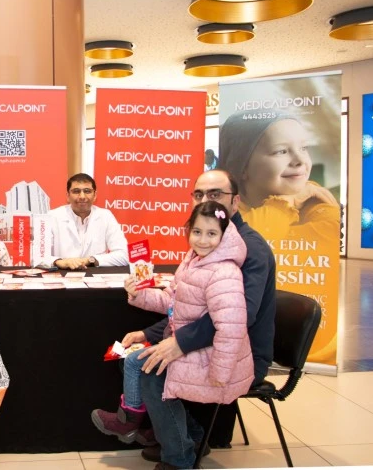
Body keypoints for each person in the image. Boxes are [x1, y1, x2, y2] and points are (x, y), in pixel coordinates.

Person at [91, 201, 253, 470]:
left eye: (212, 233)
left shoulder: (225, 272)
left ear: (224, 235)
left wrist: (220, 373)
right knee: (133, 359)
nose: (202, 240)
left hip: (214, 358)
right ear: (188, 231)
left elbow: (231, 328)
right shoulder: (193, 260)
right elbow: (171, 301)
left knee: (150, 374)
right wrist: (140, 294)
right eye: (197, 232)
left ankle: (178, 459)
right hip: (195, 349)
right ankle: (189, 437)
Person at [137, 169, 276, 463]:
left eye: (215, 194)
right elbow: (184, 306)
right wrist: (149, 333)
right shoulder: (206, 246)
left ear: (235, 202)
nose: (205, 201)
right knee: (140, 357)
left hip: (241, 354)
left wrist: (180, 343)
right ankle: (188, 437)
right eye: (198, 194)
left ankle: (180, 453)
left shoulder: (248, 249)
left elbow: (239, 318)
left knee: (151, 371)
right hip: (214, 344)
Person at [217, 110, 340, 242]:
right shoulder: (219, 209)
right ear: (241, 167)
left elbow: (329, 235)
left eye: (303, 148)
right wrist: (286, 202)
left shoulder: (314, 198)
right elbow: (237, 241)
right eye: (281, 151)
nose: (300, 160)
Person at [43, 173, 128, 269]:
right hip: (61, 275)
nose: (82, 196)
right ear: (68, 196)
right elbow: (38, 257)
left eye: (87, 191)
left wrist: (90, 260)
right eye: (76, 191)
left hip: (96, 276)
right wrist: (59, 262)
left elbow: (124, 255)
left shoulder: (105, 216)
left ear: (95, 195)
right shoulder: (52, 216)